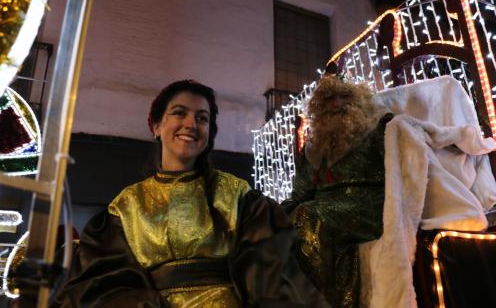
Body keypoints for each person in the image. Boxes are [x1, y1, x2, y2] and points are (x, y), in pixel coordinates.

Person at [57, 80, 328, 308]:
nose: (191, 124)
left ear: (209, 134)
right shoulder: (125, 207)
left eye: (202, 118)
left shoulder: (237, 195)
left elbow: (269, 273)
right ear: (156, 126)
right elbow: (104, 284)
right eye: (179, 113)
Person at [282, 73, 392, 308]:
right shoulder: (315, 147)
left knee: (307, 215)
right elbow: (299, 194)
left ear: (358, 100)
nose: (336, 104)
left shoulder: (377, 130)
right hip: (321, 210)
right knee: (275, 224)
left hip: (366, 206)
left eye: (344, 96)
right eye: (329, 99)